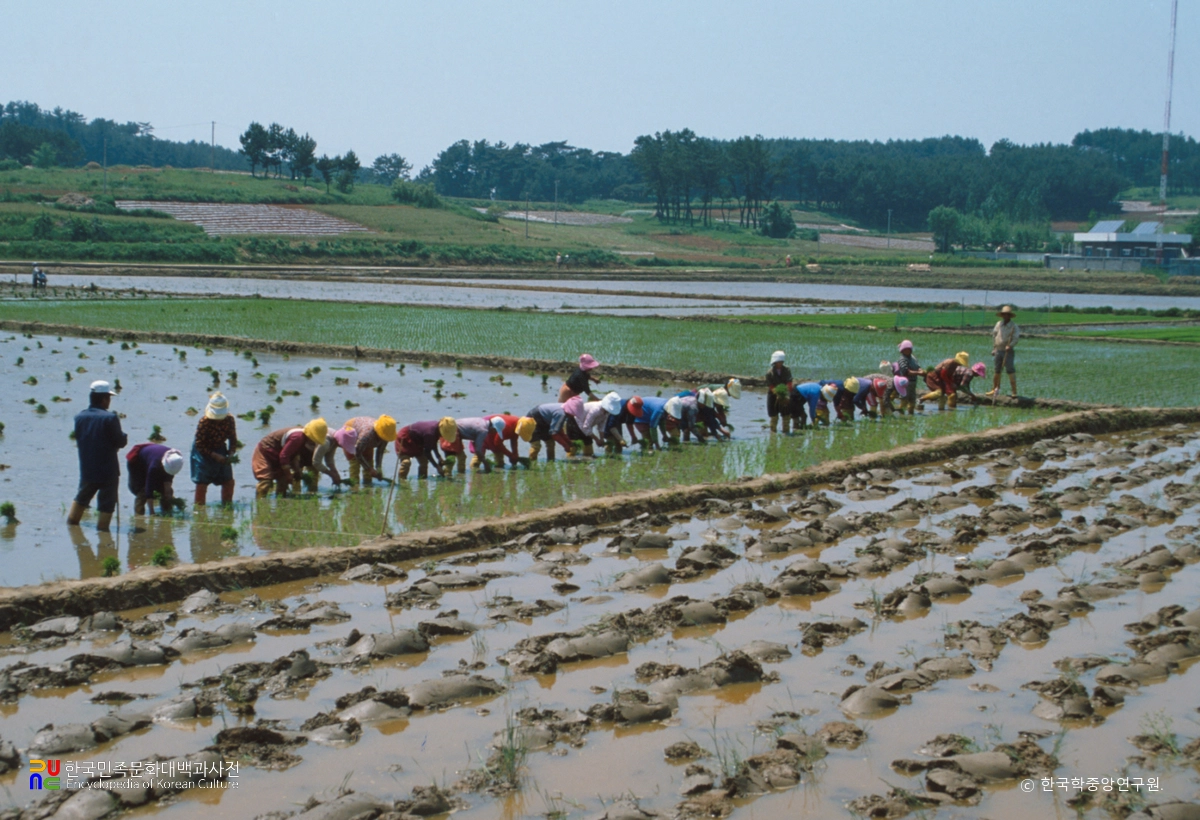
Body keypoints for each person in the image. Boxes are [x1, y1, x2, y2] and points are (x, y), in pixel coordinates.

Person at [67, 380, 128, 532]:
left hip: (87, 468)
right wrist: (124, 437)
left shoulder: (79, 417)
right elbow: (120, 441)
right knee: (107, 504)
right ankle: (103, 534)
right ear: (104, 399)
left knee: (81, 499)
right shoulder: (110, 418)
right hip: (108, 470)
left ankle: (71, 527)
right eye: (109, 398)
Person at [252, 419, 328, 497]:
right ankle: (260, 504)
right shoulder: (298, 437)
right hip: (265, 452)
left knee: (283, 483)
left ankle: (280, 504)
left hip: (277, 454)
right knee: (265, 482)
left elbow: (294, 455)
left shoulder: (303, 439)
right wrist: (288, 474)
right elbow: (284, 456)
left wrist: (297, 470)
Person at [191, 392, 238, 507]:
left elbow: (233, 439)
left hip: (220, 448)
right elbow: (199, 444)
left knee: (228, 480)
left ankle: (227, 506)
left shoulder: (230, 420)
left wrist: (231, 453)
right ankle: (199, 510)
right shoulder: (204, 422)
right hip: (203, 451)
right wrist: (214, 455)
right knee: (202, 482)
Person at [126, 444, 185, 514]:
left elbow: (168, 481)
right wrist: (152, 512)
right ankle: (139, 515)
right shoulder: (154, 467)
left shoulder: (174, 460)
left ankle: (167, 511)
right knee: (142, 491)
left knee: (164, 490)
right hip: (137, 463)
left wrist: (168, 494)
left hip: (154, 459)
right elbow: (149, 490)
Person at [343, 415, 397, 485]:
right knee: (355, 465)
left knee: (369, 461)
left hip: (366, 440)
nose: (384, 439)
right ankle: (354, 489)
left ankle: (367, 487)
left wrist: (378, 469)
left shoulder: (386, 433)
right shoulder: (366, 435)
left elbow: (380, 451)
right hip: (350, 433)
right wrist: (369, 469)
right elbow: (357, 453)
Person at [986, 306, 1020, 399]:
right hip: (998, 350)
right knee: (997, 370)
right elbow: (995, 336)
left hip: (1007, 351)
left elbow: (1016, 338)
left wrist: (1010, 345)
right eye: (1004, 314)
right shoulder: (998, 324)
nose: (1005, 316)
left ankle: (1014, 391)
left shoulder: (1013, 326)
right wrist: (994, 348)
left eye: (1007, 314)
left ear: (1010, 316)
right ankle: (995, 388)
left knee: (1010, 370)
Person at [765, 351, 795, 433]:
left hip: (784, 394)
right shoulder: (769, 373)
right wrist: (777, 393)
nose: (780, 364)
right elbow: (770, 385)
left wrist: (785, 395)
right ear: (774, 362)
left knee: (786, 415)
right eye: (778, 362)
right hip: (773, 395)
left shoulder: (786, 370)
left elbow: (789, 382)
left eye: (781, 362)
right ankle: (773, 433)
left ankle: (786, 432)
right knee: (773, 416)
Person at [894, 340, 924, 415]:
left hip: (913, 383)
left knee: (912, 401)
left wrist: (921, 370)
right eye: (906, 349)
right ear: (902, 350)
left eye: (909, 349)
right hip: (905, 383)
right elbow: (906, 372)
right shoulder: (902, 359)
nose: (907, 351)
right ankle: (900, 415)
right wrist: (918, 373)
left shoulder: (913, 358)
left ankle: (910, 414)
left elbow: (918, 366)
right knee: (904, 401)